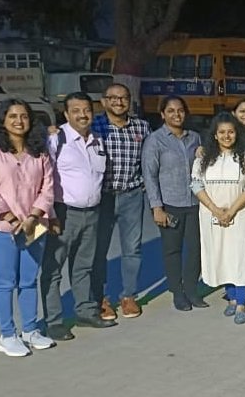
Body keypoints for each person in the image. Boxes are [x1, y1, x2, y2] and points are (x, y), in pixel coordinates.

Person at [42, 92, 116, 339]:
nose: (82, 115)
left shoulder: (97, 140)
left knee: (84, 266)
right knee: (54, 269)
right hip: (63, 213)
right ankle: (53, 321)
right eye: (76, 110)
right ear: (66, 114)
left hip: (92, 212)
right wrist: (49, 214)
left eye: (86, 110)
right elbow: (43, 177)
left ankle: (85, 311)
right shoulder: (56, 139)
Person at [0, 99, 57, 356]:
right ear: (3, 120)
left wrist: (33, 216)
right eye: (13, 116)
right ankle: (7, 335)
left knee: (28, 280)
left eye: (24, 116)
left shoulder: (40, 152)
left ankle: (30, 329)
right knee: (6, 281)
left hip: (34, 225)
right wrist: (13, 219)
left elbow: (48, 188)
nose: (19, 121)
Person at [91, 82, 150, 322]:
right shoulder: (94, 126)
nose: (118, 102)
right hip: (102, 197)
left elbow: (150, 159)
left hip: (132, 196)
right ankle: (100, 298)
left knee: (132, 249)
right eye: (112, 98)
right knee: (99, 250)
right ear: (104, 101)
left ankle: (128, 296)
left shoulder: (141, 127)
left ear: (129, 101)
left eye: (123, 98)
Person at [189, 113, 245, 325]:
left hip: (241, 214)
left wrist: (232, 210)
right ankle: (232, 298)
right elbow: (196, 185)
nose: (227, 136)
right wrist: (216, 210)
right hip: (212, 215)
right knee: (221, 256)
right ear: (215, 135)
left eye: (231, 132)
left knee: (241, 257)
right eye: (222, 132)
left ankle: (242, 303)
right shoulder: (203, 158)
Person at [142, 96, 204, 311]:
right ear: (162, 114)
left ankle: (192, 290)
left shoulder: (194, 138)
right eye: (171, 111)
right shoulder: (155, 140)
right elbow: (149, 175)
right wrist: (156, 207)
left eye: (180, 111)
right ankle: (178, 293)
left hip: (195, 203)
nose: (176, 115)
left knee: (196, 249)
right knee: (172, 250)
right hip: (170, 203)